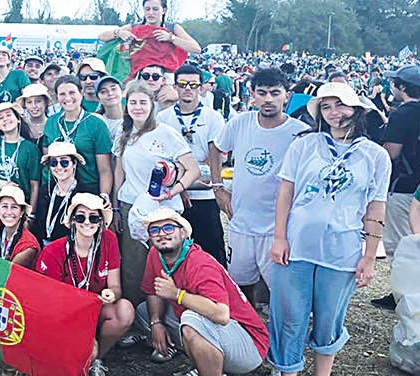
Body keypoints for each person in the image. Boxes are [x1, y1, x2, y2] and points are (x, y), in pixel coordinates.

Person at [268, 83, 390, 376]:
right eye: (326, 107)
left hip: (341, 250)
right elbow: (286, 193)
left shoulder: (375, 156)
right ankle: (288, 372)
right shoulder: (305, 145)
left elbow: (376, 209)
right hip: (297, 246)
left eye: (340, 105)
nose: (334, 113)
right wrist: (279, 237)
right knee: (289, 317)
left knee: (328, 321)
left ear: (356, 109)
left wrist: (370, 257)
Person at [213, 68, 309, 306]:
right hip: (241, 223)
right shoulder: (240, 122)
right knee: (240, 287)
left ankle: (279, 337)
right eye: (262, 93)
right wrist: (218, 187)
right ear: (252, 93)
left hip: (278, 228)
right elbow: (216, 148)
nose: (268, 99)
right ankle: (246, 333)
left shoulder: (300, 132)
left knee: (282, 292)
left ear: (286, 95)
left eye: (275, 93)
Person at [136, 208, 268, 375]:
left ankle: (208, 370)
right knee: (144, 312)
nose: (161, 234)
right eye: (154, 230)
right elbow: (153, 291)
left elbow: (221, 314)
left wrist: (177, 294)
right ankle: (198, 359)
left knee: (191, 319)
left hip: (248, 345)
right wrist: (156, 323)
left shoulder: (200, 264)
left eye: (168, 228)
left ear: (183, 233)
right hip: (208, 324)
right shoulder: (156, 253)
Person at [113, 81, 200, 309]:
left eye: (143, 102)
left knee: (167, 264)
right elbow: (118, 173)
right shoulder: (123, 134)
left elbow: (193, 170)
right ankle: (136, 319)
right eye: (133, 102)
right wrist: (114, 207)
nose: (138, 107)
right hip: (132, 207)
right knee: (134, 265)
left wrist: (174, 191)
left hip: (163, 210)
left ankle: (170, 319)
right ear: (126, 106)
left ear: (152, 105)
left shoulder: (166, 133)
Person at [36, 193, 134, 376]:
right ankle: (84, 354)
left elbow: (115, 287)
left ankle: (97, 360)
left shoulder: (109, 240)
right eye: (80, 217)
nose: (87, 222)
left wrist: (111, 294)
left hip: (95, 309)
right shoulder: (53, 251)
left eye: (93, 217)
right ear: (72, 221)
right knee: (88, 349)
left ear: (100, 222)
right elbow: (47, 301)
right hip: (66, 315)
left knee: (125, 310)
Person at [372, 63, 420, 310]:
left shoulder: (402, 113)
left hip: (402, 187)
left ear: (402, 87)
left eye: (394, 82)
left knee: (399, 245)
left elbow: (391, 153)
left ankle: (402, 296)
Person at [157, 65, 228, 266]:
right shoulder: (163, 117)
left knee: (212, 252)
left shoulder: (213, 117)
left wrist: (215, 186)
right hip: (175, 196)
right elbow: (163, 158)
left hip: (205, 195)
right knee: (176, 253)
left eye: (193, 84)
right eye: (182, 84)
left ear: (201, 87)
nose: (188, 88)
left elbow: (215, 157)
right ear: (175, 87)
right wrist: (180, 188)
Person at [42, 74, 114, 197]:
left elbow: (105, 170)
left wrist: (104, 195)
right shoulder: (51, 122)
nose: (68, 98)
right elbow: (47, 159)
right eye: (62, 94)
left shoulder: (96, 124)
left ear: (81, 93)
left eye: (72, 92)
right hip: (56, 188)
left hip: (87, 188)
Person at [0, 102, 41, 217]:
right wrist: (1, 184)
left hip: (20, 204)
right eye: (0, 118)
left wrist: (31, 214)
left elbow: (34, 184)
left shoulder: (31, 148)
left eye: (9, 115)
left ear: (18, 119)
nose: (5, 119)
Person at [103, 0, 202, 54]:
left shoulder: (172, 28)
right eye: (147, 9)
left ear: (164, 10)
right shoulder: (135, 26)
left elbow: (196, 49)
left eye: (155, 9)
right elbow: (102, 37)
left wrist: (171, 38)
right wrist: (118, 33)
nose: (150, 13)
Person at [32, 142, 85, 246]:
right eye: (53, 163)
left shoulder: (84, 194)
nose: (59, 167)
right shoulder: (44, 191)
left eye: (64, 162)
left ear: (74, 164)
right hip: (43, 250)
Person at [95, 75, 125, 143]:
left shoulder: (133, 118)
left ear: (122, 92)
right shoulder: (96, 122)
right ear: (98, 98)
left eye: (113, 89)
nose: (110, 93)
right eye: (103, 91)